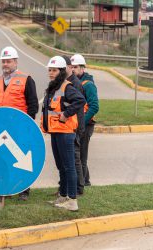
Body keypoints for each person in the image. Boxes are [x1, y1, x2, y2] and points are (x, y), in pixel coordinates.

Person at [0, 46, 39, 201]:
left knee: (21, 159)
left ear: (16, 62)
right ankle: (5, 188)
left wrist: (26, 124)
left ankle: (23, 189)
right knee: (2, 158)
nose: (5, 64)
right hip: (1, 129)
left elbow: (33, 104)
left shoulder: (26, 79)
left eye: (8, 61)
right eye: (3, 61)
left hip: (19, 128)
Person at [41, 56, 85, 211]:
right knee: (61, 166)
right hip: (55, 131)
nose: (51, 73)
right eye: (50, 70)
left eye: (54, 70)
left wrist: (66, 114)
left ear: (61, 71)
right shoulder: (53, 87)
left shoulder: (67, 86)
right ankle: (63, 196)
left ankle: (72, 200)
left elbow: (80, 101)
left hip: (65, 132)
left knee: (69, 166)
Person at [71, 54, 99, 187]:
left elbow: (94, 106)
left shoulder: (89, 85)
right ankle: (86, 180)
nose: (73, 70)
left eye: (75, 67)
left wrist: (82, 122)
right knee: (78, 154)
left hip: (86, 125)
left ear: (82, 68)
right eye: (71, 67)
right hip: (77, 124)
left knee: (81, 155)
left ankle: (82, 184)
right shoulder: (74, 83)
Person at [62, 55, 86, 196]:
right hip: (68, 126)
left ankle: (79, 188)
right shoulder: (65, 82)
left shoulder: (74, 83)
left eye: (62, 67)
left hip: (75, 126)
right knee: (68, 159)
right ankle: (66, 187)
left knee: (75, 158)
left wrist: (78, 128)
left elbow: (79, 107)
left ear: (70, 67)